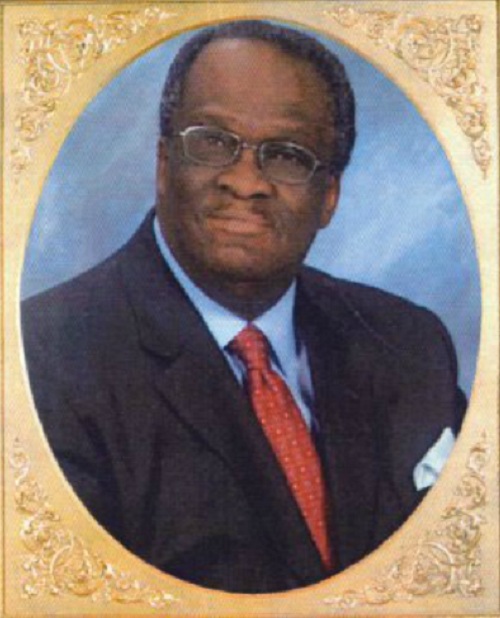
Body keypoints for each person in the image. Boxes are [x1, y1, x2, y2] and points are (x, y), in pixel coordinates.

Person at [22, 20, 466, 593]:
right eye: (213, 142)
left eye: (287, 155)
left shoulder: (408, 346)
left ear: (329, 196)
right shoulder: (41, 365)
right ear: (164, 164)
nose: (246, 181)